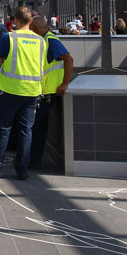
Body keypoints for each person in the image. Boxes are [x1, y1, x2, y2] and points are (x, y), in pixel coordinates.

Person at [0, 6, 46, 180]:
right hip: (32, 91)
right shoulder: (40, 40)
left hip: (10, 89)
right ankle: (22, 170)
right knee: (25, 130)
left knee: (3, 128)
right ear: (30, 20)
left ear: (15, 20)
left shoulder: (10, 37)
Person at [28, 16, 73, 169]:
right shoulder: (44, 40)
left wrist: (65, 84)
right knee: (37, 125)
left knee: (39, 127)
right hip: (44, 90)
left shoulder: (51, 40)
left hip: (50, 92)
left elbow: (68, 59)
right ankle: (31, 158)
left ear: (34, 28)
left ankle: (33, 161)